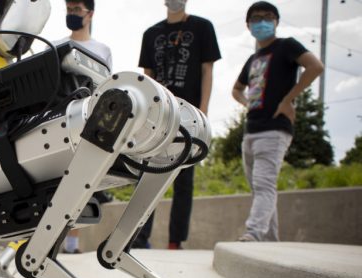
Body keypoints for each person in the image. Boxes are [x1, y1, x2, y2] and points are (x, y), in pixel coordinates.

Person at [232, 1, 324, 242]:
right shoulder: (253, 58)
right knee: (260, 189)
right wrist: (247, 104)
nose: (261, 21)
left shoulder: (286, 47)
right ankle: (270, 241)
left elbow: (315, 66)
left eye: (267, 17)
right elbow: (236, 89)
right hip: (251, 130)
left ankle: (253, 233)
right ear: (248, 25)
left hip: (274, 129)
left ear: (276, 21)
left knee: (264, 184)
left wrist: (288, 100)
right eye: (256, 18)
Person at [135, 0, 221, 250]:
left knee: (184, 180)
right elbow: (147, 78)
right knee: (147, 175)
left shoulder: (202, 27)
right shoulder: (151, 34)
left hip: (190, 114)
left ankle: (175, 241)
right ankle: (139, 237)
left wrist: (203, 112)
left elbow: (207, 70)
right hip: (159, 116)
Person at [59, 0, 113, 254]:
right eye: (69, 9)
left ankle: (72, 244)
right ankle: (54, 240)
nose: (72, 14)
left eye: (76, 10)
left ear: (90, 14)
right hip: (62, 118)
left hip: (89, 121)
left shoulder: (102, 49)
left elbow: (106, 87)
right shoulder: (59, 46)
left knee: (81, 182)